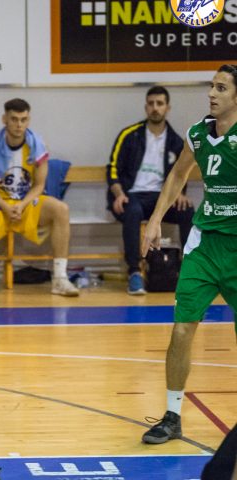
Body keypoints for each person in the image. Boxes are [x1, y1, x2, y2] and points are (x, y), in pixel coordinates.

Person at [141, 65, 237, 445]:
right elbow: (178, 175)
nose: (212, 93)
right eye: (211, 87)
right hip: (205, 243)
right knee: (181, 329)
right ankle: (172, 415)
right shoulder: (198, 133)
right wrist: (154, 220)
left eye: (221, 88)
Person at [0, 98, 80, 296]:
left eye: (23, 119)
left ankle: (59, 278)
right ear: (4, 119)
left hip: (26, 202)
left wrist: (22, 204)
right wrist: (6, 207)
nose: (19, 124)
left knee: (61, 210)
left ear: (28, 120)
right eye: (14, 119)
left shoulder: (38, 145)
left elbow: (39, 185)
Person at [107, 86, 194, 295]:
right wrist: (119, 193)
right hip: (132, 195)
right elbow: (112, 169)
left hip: (161, 198)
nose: (155, 108)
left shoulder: (176, 141)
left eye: (160, 104)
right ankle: (135, 272)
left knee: (187, 211)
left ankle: (188, 271)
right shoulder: (129, 135)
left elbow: (182, 172)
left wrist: (180, 194)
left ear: (167, 108)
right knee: (133, 210)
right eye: (151, 103)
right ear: (146, 107)